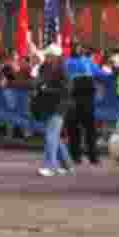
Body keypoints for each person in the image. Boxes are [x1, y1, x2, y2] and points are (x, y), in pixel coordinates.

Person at [11, 44, 73, 177]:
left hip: (59, 106)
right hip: (49, 106)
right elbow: (37, 83)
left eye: (48, 55)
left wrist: (45, 89)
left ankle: (51, 166)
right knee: (54, 136)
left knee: (51, 135)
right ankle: (67, 165)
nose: (46, 57)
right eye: (46, 55)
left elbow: (66, 90)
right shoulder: (46, 67)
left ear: (55, 57)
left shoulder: (62, 69)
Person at [63, 43, 101, 166]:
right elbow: (100, 73)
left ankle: (79, 157)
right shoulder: (85, 62)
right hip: (82, 100)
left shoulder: (68, 62)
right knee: (86, 130)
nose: (78, 49)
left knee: (77, 130)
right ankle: (90, 157)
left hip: (77, 99)